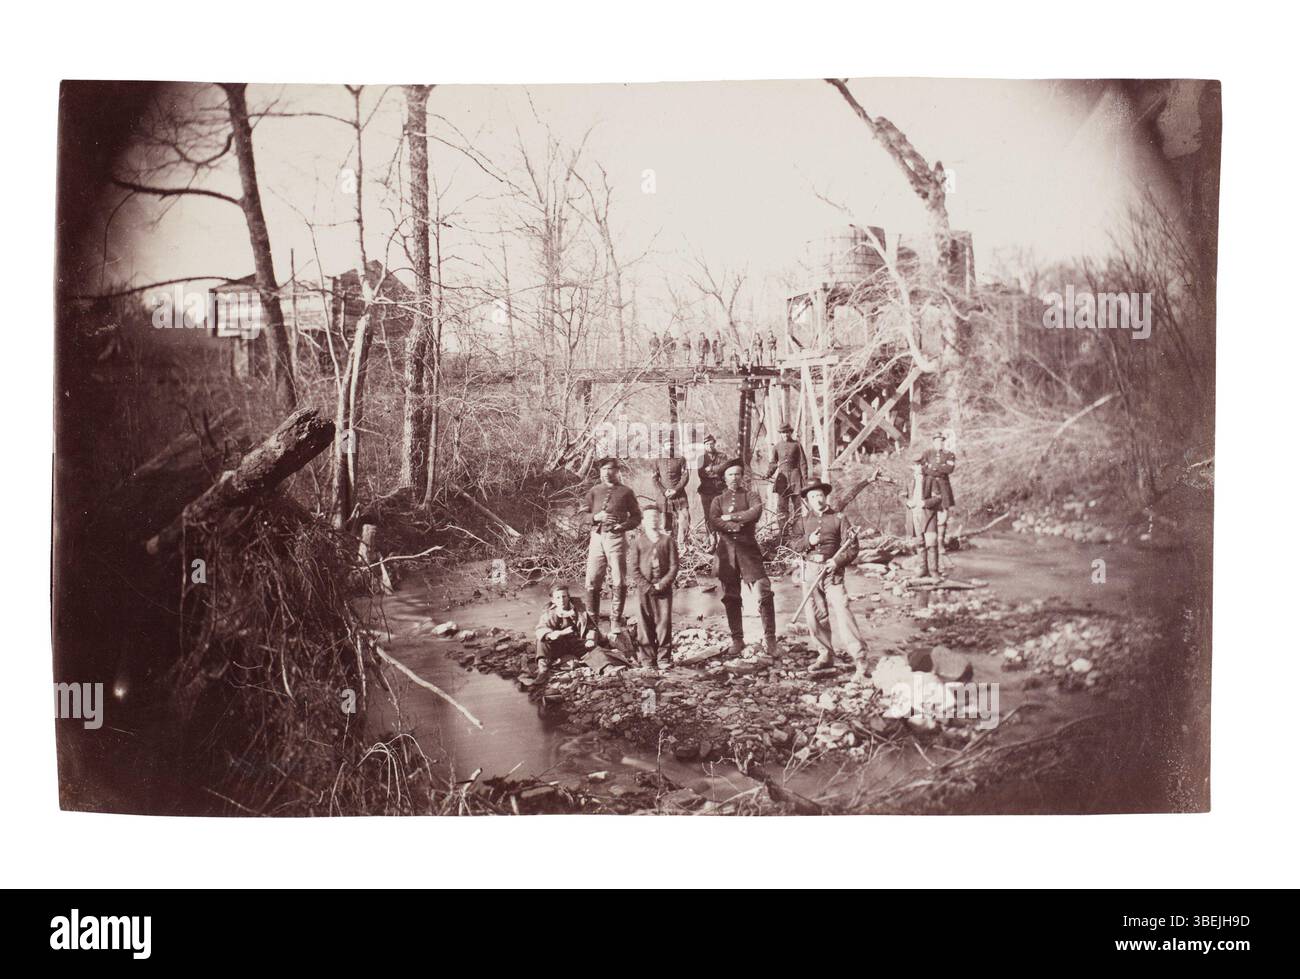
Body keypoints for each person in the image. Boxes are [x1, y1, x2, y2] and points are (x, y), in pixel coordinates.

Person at [792, 481, 868, 678]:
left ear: (825, 497)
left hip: (832, 573)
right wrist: (809, 542)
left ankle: (860, 660)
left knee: (843, 613)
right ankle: (825, 655)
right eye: (813, 497)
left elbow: (852, 547)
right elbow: (794, 544)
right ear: (807, 501)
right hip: (810, 571)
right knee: (815, 616)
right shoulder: (801, 521)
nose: (818, 499)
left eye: (820, 495)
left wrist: (837, 561)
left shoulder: (839, 518)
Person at [709, 459, 778, 657]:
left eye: (738, 474)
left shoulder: (751, 495)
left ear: (742, 477)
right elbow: (713, 521)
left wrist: (731, 518)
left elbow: (755, 513)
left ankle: (770, 639)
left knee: (764, 590)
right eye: (730, 474)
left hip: (748, 550)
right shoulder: (718, 500)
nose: (734, 478)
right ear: (724, 478)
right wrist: (735, 526)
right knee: (731, 597)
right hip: (726, 553)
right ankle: (737, 639)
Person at [583, 457, 642, 639]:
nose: (607, 473)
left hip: (616, 538)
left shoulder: (626, 492)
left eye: (610, 469)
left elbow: (637, 517)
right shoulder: (593, 491)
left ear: (617, 471)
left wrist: (622, 526)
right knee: (592, 580)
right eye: (603, 470)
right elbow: (581, 516)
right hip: (596, 538)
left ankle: (615, 621)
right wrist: (595, 517)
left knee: (619, 580)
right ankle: (592, 624)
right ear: (599, 472)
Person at [628, 505, 678, 669]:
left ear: (660, 519)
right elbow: (633, 569)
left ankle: (664, 658)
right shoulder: (637, 542)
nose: (653, 520)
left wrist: (662, 584)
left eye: (656, 517)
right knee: (644, 623)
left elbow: (674, 566)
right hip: (644, 590)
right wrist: (647, 586)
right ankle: (648, 660)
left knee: (664, 623)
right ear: (643, 521)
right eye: (649, 517)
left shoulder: (668, 540)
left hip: (663, 590)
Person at [534, 583, 598, 677]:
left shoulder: (579, 610)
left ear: (568, 597)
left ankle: (607, 669)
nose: (562, 600)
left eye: (564, 596)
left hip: (578, 644)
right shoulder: (549, 613)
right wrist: (552, 634)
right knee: (541, 641)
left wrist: (590, 639)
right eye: (558, 598)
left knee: (597, 653)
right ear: (553, 600)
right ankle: (543, 670)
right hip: (560, 647)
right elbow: (540, 629)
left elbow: (591, 627)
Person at [763, 422, 807, 542]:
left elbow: (803, 463)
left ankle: (798, 532)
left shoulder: (797, 445)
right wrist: (768, 474)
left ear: (790, 432)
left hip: (795, 477)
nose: (785, 434)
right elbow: (773, 463)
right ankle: (784, 533)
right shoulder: (777, 447)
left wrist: (805, 480)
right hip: (782, 479)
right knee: (782, 507)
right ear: (780, 434)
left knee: (797, 507)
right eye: (782, 432)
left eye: (787, 432)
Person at [903, 460, 944, 578]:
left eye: (920, 465)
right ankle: (923, 569)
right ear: (912, 467)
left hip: (928, 515)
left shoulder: (931, 480)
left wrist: (924, 503)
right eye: (916, 465)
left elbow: (938, 498)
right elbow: (901, 495)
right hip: (914, 515)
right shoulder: (909, 481)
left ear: (924, 466)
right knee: (919, 543)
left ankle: (934, 570)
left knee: (931, 543)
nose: (918, 467)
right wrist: (908, 502)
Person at [919, 431, 957, 561]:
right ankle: (927, 544)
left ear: (943, 442)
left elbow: (949, 469)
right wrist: (938, 468)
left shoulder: (949, 454)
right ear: (933, 441)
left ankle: (941, 545)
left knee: (943, 516)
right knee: (929, 513)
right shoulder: (927, 453)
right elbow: (922, 469)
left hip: (943, 487)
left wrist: (933, 468)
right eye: (936, 441)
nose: (939, 443)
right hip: (929, 487)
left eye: (941, 441)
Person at [652, 431, 691, 547]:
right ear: (663, 446)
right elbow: (654, 479)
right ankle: (666, 546)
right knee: (665, 522)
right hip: (663, 496)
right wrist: (664, 491)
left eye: (671, 444)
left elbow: (685, 476)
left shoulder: (681, 459)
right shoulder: (657, 460)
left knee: (684, 518)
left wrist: (676, 490)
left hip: (679, 495)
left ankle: (681, 545)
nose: (669, 447)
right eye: (667, 445)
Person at [695, 433, 726, 548]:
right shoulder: (700, 458)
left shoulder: (722, 456)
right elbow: (701, 474)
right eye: (707, 444)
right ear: (704, 445)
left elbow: (724, 469)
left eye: (711, 444)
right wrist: (716, 473)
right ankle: (711, 541)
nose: (710, 446)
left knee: (721, 515)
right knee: (708, 516)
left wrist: (712, 470)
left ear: (715, 444)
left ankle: (723, 540)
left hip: (720, 491)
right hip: (706, 491)